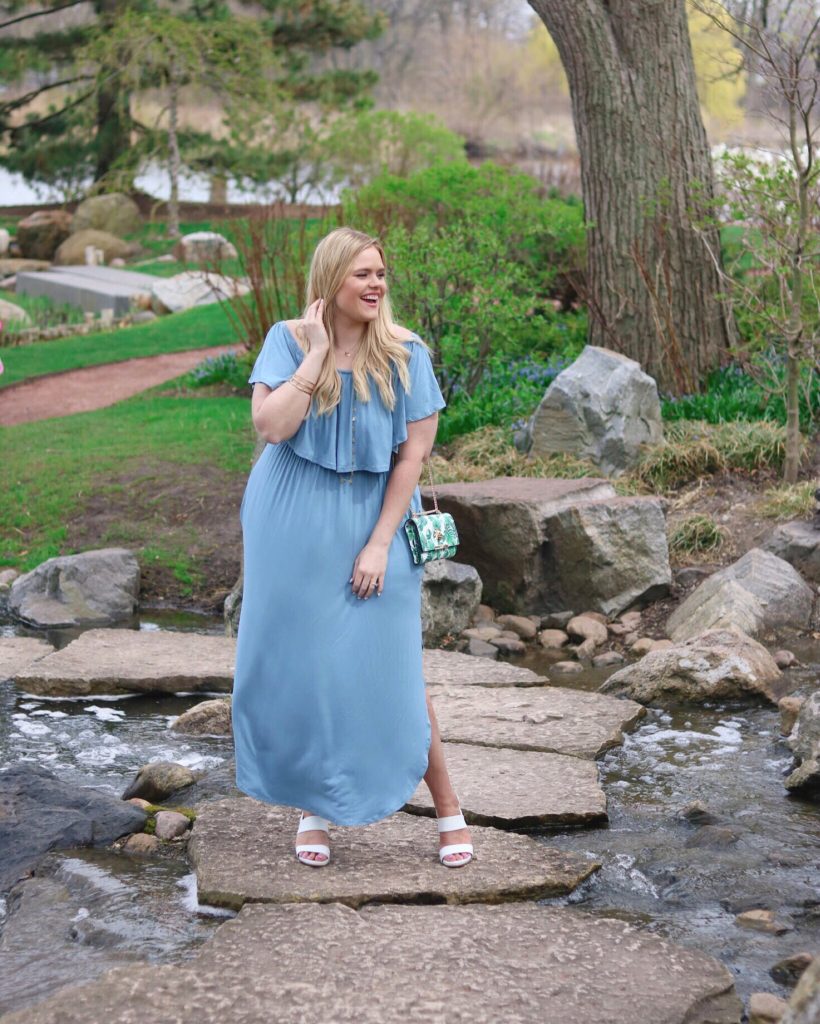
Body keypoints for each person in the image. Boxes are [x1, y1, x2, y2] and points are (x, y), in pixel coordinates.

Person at [232, 226, 473, 869]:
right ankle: (316, 807)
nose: (376, 284)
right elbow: (272, 426)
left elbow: (413, 455)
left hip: (374, 517)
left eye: (381, 273)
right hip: (292, 514)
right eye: (362, 273)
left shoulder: (405, 352)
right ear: (330, 278)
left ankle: (449, 810)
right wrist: (314, 356)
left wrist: (378, 544)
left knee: (393, 670)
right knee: (309, 667)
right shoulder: (287, 340)